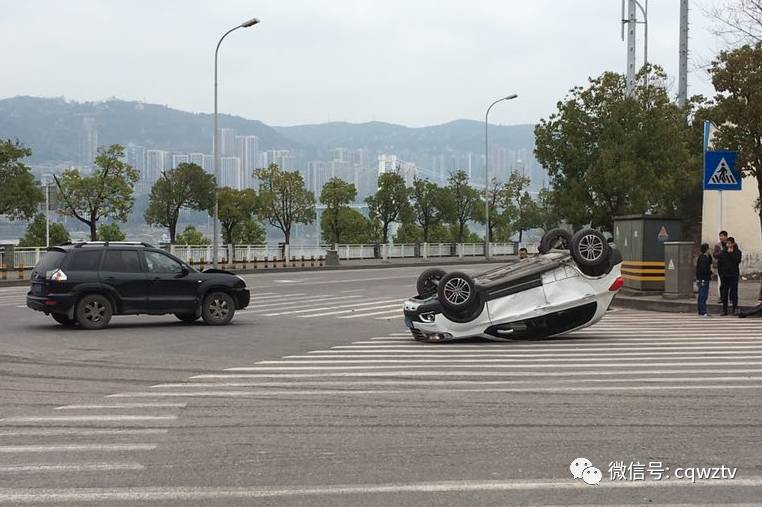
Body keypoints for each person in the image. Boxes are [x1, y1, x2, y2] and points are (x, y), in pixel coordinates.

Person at [717, 236, 742, 316]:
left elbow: (737, 261)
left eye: (729, 244)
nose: (728, 245)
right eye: (727, 243)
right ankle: (725, 310)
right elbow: (719, 264)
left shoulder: (737, 252)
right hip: (724, 276)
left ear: (733, 244)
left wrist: (731, 254)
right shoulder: (723, 252)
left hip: (733, 275)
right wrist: (721, 274)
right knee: (724, 293)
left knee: (734, 292)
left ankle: (734, 308)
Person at [696, 243, 712, 317]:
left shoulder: (703, 257)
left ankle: (701, 311)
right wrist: (710, 272)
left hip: (701, 278)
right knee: (703, 295)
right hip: (703, 278)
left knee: (701, 294)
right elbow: (704, 269)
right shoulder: (703, 258)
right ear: (706, 249)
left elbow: (710, 262)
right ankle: (703, 311)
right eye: (709, 249)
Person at [712, 230, 729, 302]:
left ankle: (730, 298)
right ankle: (722, 297)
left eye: (722, 236)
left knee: (730, 284)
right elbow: (715, 255)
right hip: (721, 266)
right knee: (723, 283)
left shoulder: (730, 244)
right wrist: (721, 252)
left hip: (729, 266)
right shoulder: (718, 245)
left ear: (726, 236)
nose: (721, 237)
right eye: (720, 236)